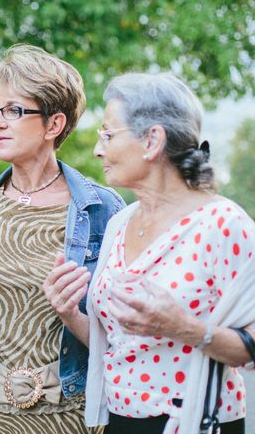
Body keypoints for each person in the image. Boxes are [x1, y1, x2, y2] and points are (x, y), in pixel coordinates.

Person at [0, 44, 124, 433]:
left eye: (14, 111)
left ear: (53, 125)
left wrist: (72, 313)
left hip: (72, 414)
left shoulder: (102, 208)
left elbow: (120, 334)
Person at [66, 72, 255, 433]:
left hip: (197, 422)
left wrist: (187, 329)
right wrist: (69, 313)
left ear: (152, 140)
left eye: (107, 134)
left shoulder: (223, 225)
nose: (98, 149)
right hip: (120, 422)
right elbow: (121, 345)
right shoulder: (119, 223)